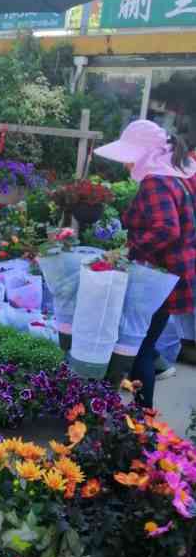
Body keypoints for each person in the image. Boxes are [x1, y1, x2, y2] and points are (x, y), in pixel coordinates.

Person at [95, 118, 196, 409]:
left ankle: (141, 419)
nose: (127, 164)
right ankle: (142, 418)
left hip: (158, 277)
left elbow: (167, 229)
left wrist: (128, 252)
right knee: (146, 345)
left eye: (130, 157)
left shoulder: (156, 181)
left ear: (145, 154)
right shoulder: (176, 177)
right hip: (171, 274)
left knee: (141, 347)